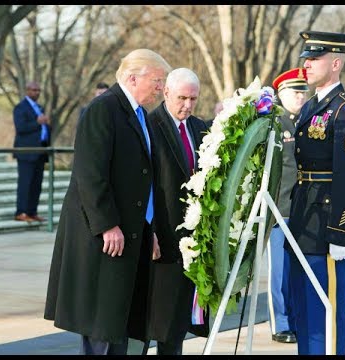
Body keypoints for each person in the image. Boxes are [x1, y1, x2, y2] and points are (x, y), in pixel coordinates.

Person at [43, 48, 171, 355]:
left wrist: (150, 227)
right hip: (105, 237)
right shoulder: (103, 109)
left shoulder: (142, 116)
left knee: (120, 324)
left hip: (133, 233)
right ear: (131, 77)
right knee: (101, 325)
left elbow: (145, 178)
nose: (160, 88)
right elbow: (90, 173)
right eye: (156, 80)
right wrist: (107, 224)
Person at [286, 31, 345, 355]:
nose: (306, 65)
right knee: (304, 310)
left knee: (327, 311)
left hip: (327, 227)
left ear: (335, 63)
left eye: (314, 59)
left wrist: (342, 233)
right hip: (304, 219)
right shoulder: (311, 106)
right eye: (305, 58)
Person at [146, 67, 209, 355]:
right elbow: (144, 185)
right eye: (182, 97)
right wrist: (151, 232)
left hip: (190, 242)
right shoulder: (149, 125)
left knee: (176, 327)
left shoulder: (199, 128)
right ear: (166, 92)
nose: (187, 105)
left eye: (193, 99)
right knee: (153, 322)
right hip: (160, 238)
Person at [267, 67, 309, 344]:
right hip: (280, 209)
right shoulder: (273, 123)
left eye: (304, 91)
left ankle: (296, 320)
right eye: (295, 92)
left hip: (304, 210)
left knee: (301, 271)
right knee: (280, 272)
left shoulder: (309, 121)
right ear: (281, 94)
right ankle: (280, 323)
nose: (301, 97)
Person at [13, 81, 51, 223]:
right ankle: (21, 211)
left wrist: (47, 126)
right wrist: (38, 122)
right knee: (25, 183)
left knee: (36, 184)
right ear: (27, 90)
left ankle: (32, 211)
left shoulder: (39, 108)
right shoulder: (20, 108)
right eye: (34, 90)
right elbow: (21, 127)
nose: (37, 93)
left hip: (40, 151)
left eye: (38, 90)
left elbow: (43, 127)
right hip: (26, 152)